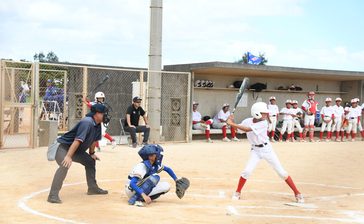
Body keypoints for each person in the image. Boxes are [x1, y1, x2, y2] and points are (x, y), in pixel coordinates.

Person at [226, 102, 304, 203]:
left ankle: (297, 193)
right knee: (247, 171)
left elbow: (247, 129)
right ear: (256, 113)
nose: (266, 115)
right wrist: (232, 121)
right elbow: (239, 129)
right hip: (255, 150)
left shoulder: (263, 123)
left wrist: (231, 123)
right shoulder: (247, 121)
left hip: (267, 150)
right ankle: (237, 192)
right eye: (263, 113)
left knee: (282, 173)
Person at [47, 104, 109, 203]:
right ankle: (52, 195)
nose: (105, 115)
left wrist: (92, 153)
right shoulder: (87, 123)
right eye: (103, 113)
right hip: (64, 148)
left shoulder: (97, 124)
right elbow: (77, 141)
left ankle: (92, 188)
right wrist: (68, 156)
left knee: (90, 161)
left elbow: (94, 140)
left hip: (75, 151)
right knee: (65, 165)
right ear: (96, 114)